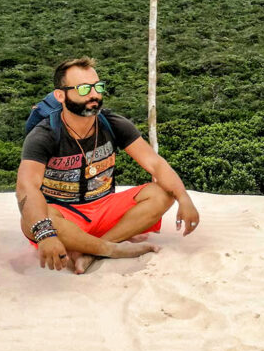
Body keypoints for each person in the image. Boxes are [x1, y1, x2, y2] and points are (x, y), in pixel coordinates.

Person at [16, 57, 200, 274]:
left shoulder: (112, 124)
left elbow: (155, 164)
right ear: (60, 95)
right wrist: (45, 234)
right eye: (84, 89)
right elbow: (26, 186)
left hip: (104, 207)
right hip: (65, 215)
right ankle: (110, 248)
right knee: (30, 221)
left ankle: (93, 250)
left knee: (164, 193)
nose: (94, 94)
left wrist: (184, 197)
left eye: (98, 87)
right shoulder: (45, 135)